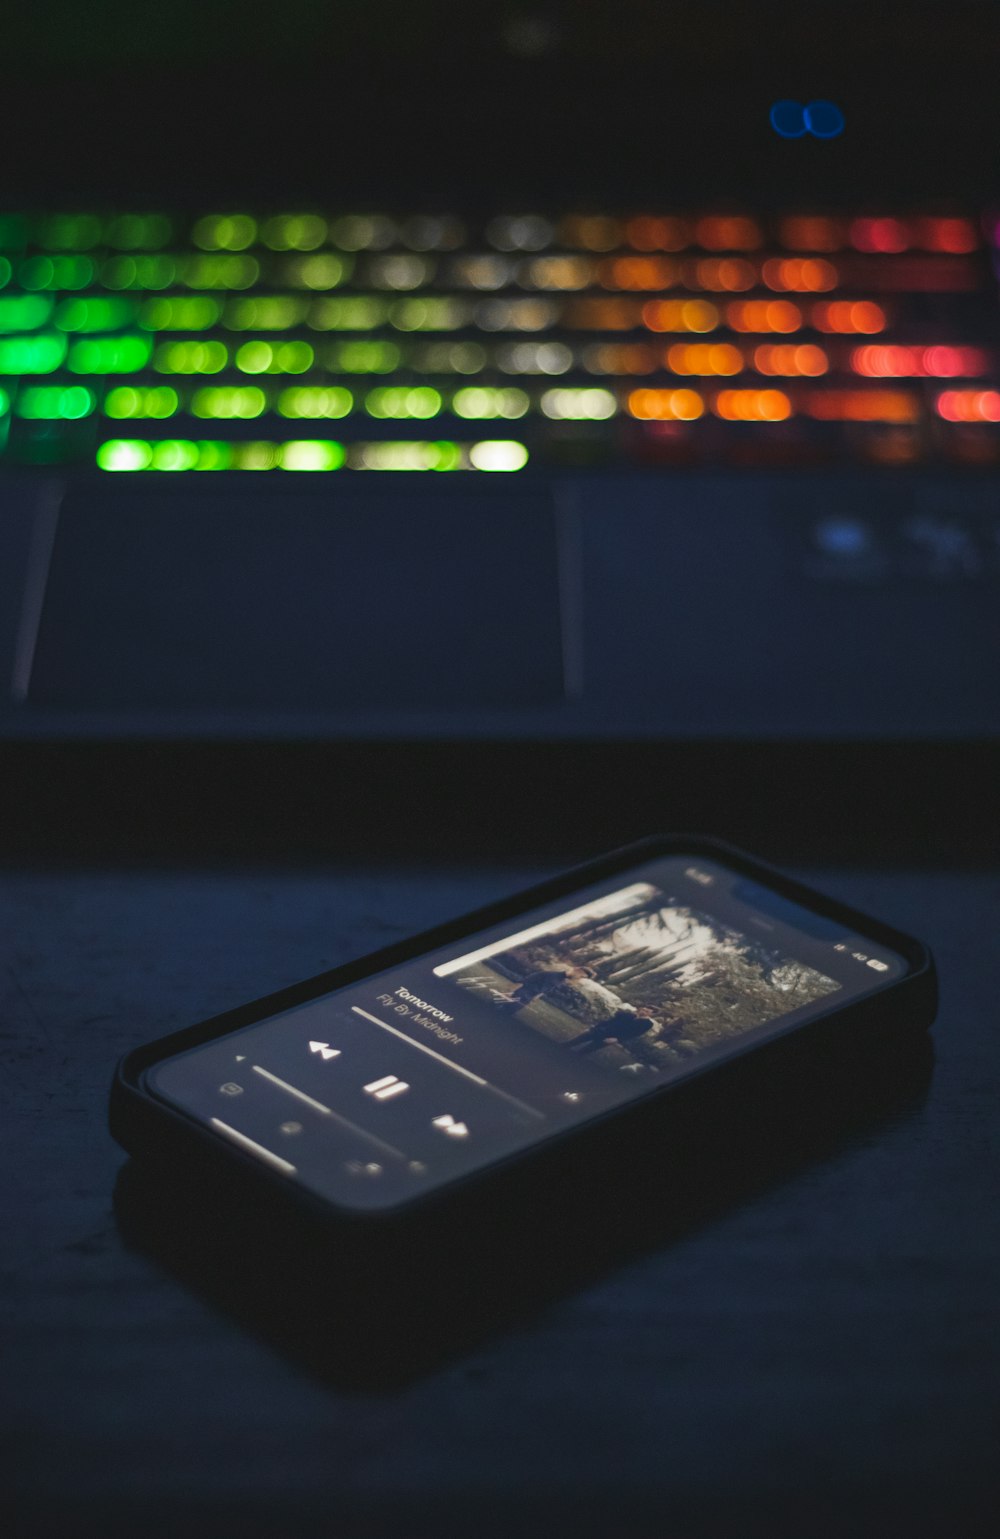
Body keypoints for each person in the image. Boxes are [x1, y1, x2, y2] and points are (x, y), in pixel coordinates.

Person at [497, 961, 595, 1012]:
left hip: (526, 998)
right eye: (581, 976)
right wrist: (511, 991)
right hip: (519, 994)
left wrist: (537, 996)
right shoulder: (551, 975)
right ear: (576, 970)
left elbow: (547, 988)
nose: (580, 978)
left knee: (505, 1015)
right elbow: (526, 980)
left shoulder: (561, 980)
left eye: (582, 978)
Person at [567, 1007, 657, 1054]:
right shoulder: (629, 1015)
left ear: (651, 1014)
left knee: (588, 1049)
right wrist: (594, 1027)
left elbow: (633, 1034)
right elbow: (611, 1020)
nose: (644, 1011)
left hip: (612, 1036)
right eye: (644, 1009)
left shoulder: (647, 1024)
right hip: (601, 1030)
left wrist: (617, 1039)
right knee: (577, 1040)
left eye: (647, 1011)